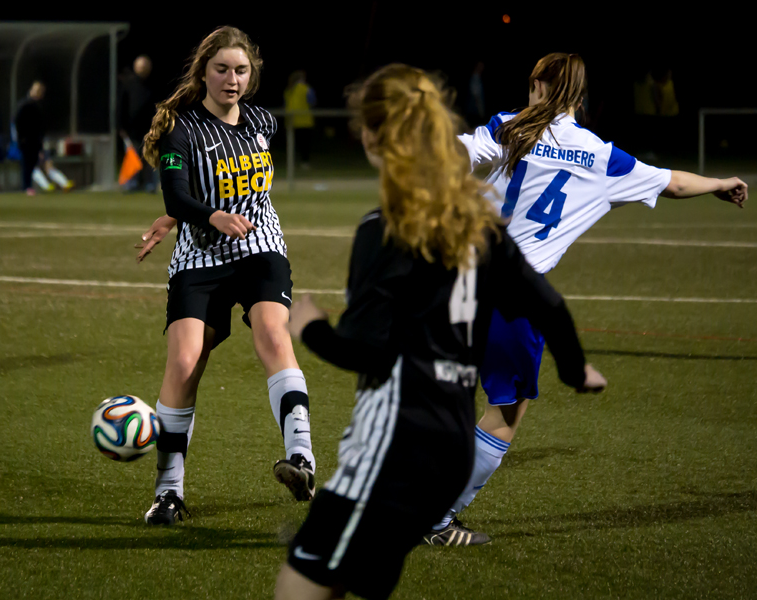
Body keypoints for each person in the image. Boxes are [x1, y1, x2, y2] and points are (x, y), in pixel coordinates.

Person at [273, 64, 606, 600]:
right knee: (349, 581)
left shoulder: (385, 227)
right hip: (451, 451)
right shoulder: (481, 227)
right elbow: (548, 306)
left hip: (393, 445)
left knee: (300, 585)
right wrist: (574, 368)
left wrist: (310, 328)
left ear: (370, 136)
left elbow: (364, 350)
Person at [425, 52, 748, 545]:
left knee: (446, 398)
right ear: (580, 96)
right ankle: (437, 521)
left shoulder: (507, 127)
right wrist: (719, 184)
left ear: (538, 85)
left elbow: (454, 155)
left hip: (456, 280)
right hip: (516, 294)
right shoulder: (599, 156)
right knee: (508, 409)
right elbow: (672, 181)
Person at [134, 26, 317, 525]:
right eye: (221, 69)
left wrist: (203, 210)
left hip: (260, 248)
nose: (231, 79)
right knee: (185, 361)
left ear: (251, 74)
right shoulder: (182, 128)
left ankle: (302, 459)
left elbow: (234, 183)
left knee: (274, 335)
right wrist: (196, 216)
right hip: (199, 258)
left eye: (240, 70)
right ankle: (169, 493)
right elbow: (177, 193)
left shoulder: (263, 122)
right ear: (204, 73)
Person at [119, 55, 157, 191]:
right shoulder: (128, 85)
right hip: (132, 130)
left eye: (145, 67)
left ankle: (150, 184)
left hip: (150, 129)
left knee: (149, 157)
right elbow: (122, 106)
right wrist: (121, 127)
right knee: (132, 156)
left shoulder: (153, 86)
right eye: (140, 67)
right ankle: (131, 184)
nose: (142, 69)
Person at [14, 81, 46, 195]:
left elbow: (41, 126)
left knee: (32, 163)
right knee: (27, 163)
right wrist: (21, 137)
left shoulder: (39, 106)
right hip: (26, 140)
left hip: (35, 140)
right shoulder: (25, 104)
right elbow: (17, 121)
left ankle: (28, 186)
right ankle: (26, 186)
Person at [284, 70, 316, 169]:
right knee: (305, 145)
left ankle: (291, 164)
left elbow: (285, 105)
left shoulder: (288, 90)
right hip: (304, 121)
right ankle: (304, 163)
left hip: (291, 121)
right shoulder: (306, 89)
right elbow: (312, 101)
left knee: (292, 145)